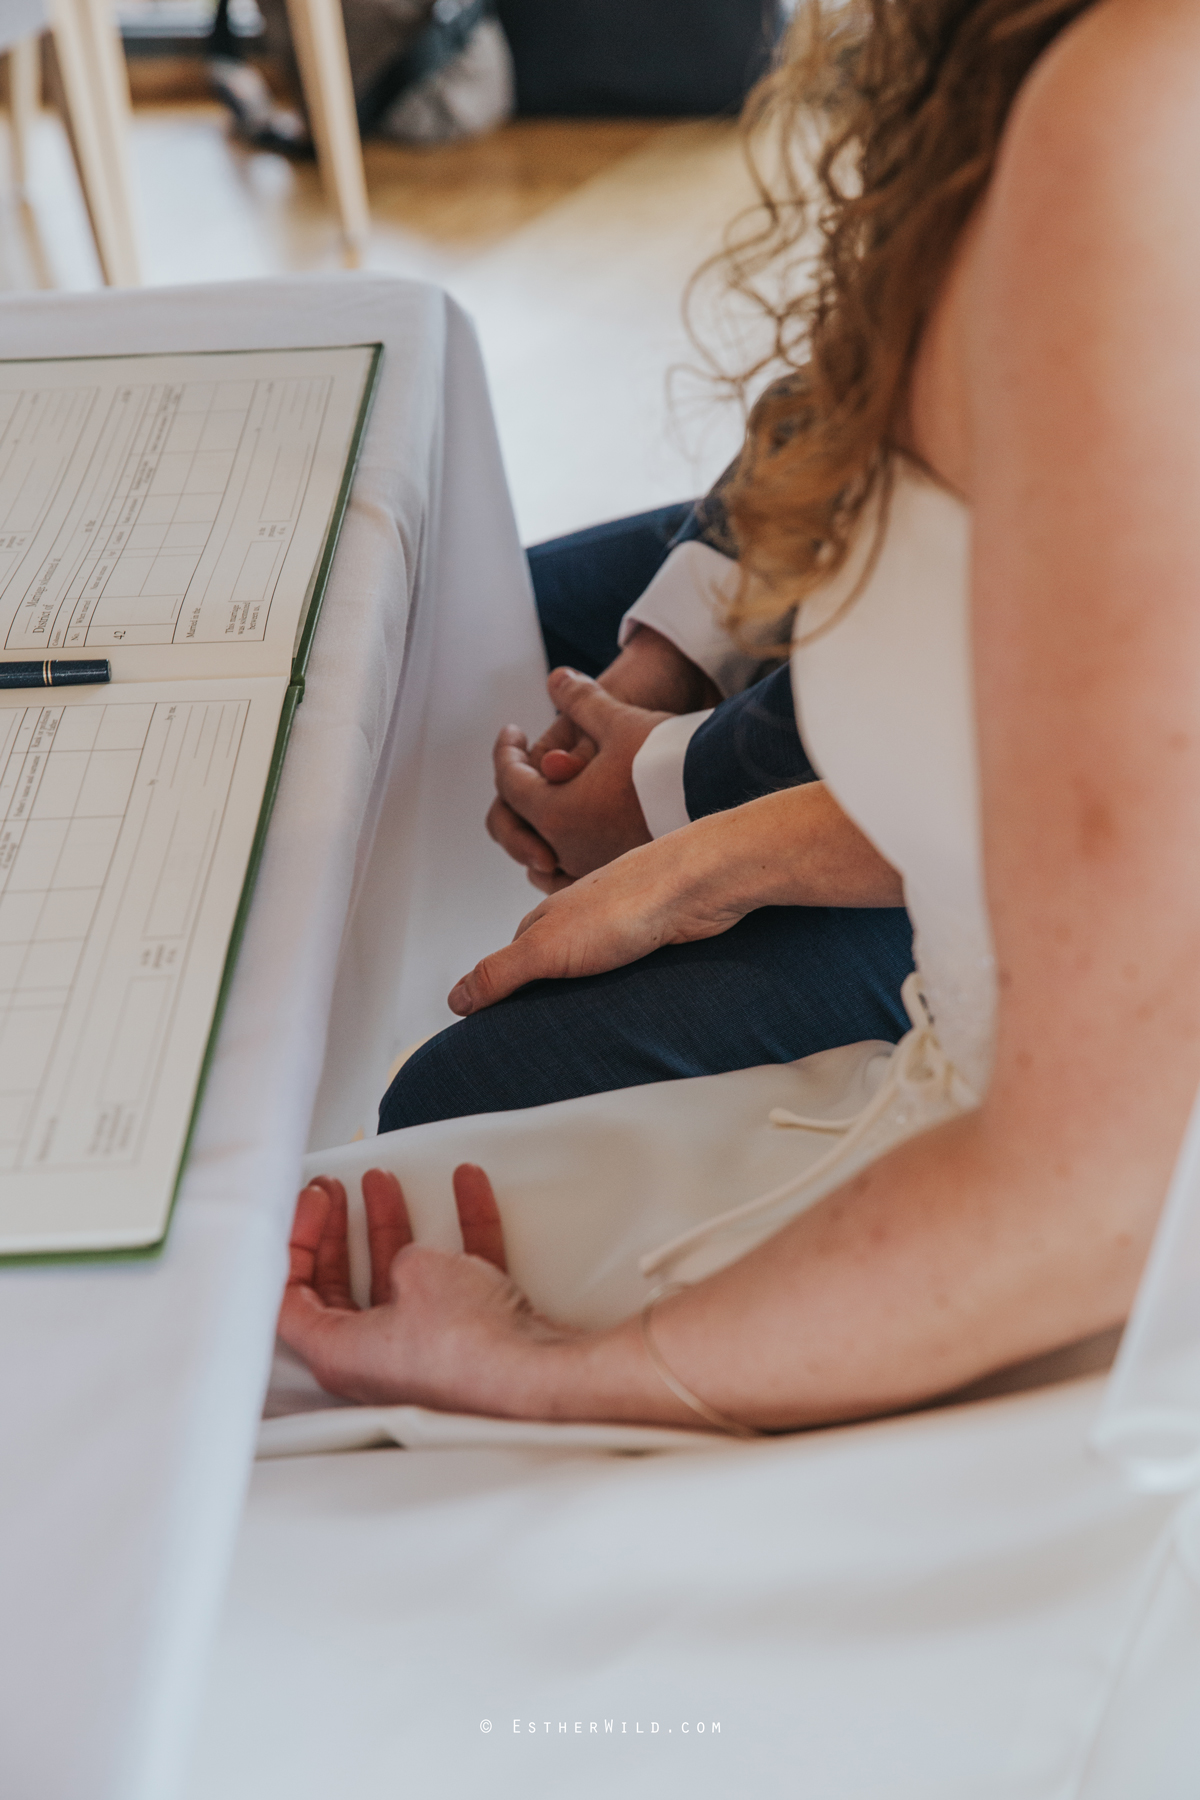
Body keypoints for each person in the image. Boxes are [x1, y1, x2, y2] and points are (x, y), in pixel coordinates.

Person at [279, 0, 1200, 1438]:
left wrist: (556, 1378)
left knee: (330, 1292)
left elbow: (1108, 1182)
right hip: (998, 1076)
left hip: (1078, 1239)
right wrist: (702, 842)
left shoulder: (1141, 102)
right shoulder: (1009, 61)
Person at [377, 476, 918, 1128]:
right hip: (870, 518)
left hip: (959, 828)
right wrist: (664, 660)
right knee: (409, 637)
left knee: (457, 1097)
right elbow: (838, 398)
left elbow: (994, 762)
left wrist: (677, 823)